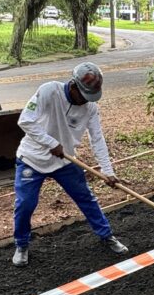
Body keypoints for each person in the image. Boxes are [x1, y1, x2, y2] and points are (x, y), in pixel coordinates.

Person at [11, 62, 129, 267]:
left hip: (64, 160)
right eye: (84, 96)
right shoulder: (49, 91)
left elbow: (97, 139)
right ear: (73, 86)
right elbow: (25, 120)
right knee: (25, 204)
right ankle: (21, 245)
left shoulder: (90, 107)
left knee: (86, 198)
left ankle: (106, 235)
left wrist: (108, 171)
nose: (86, 101)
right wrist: (50, 143)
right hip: (32, 158)